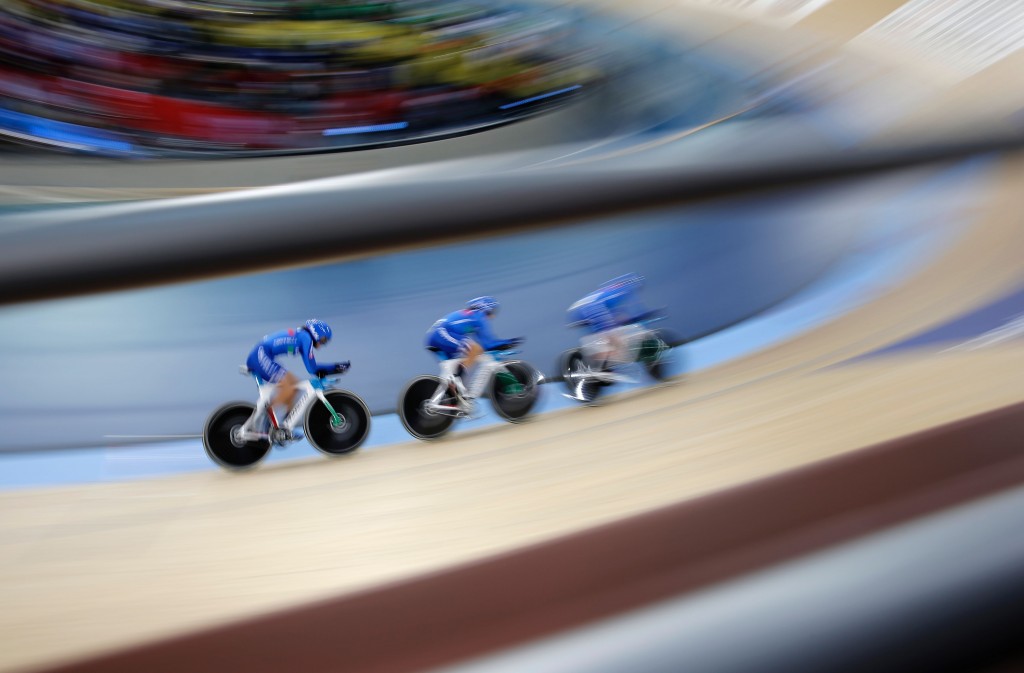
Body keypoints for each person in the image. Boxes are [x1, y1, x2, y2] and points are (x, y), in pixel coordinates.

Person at [246, 318, 350, 426]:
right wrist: (336, 367)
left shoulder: (302, 336)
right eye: (323, 340)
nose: (322, 344)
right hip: (260, 356)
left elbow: (311, 366)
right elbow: (312, 368)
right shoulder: (306, 338)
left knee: (294, 385)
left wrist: (332, 369)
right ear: (316, 334)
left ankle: (285, 425)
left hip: (261, 355)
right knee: (288, 388)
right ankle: (264, 419)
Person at [425, 296, 522, 407]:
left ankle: (453, 400)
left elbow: (484, 342)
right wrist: (508, 343)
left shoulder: (470, 315)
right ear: (486, 308)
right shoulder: (479, 315)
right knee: (475, 349)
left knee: (452, 370)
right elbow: (488, 344)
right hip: (442, 334)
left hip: (434, 337)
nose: (493, 316)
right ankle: (458, 378)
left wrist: (498, 345)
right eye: (493, 311)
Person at [566, 273, 658, 369]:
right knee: (613, 335)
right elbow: (637, 309)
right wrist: (644, 315)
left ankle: (597, 359)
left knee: (604, 333)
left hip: (577, 311)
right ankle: (606, 360)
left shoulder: (613, 288)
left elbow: (618, 313)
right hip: (593, 307)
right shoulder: (628, 289)